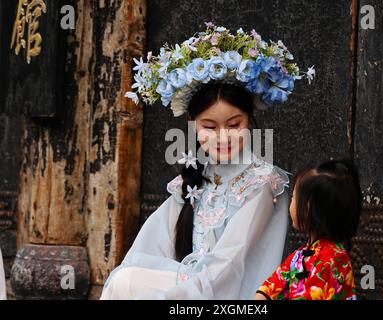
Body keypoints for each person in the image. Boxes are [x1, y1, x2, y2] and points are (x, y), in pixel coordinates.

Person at [101, 22, 314, 299]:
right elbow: (151, 248)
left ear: (249, 121)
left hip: (230, 297)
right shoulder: (192, 179)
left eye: (234, 124)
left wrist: (174, 294)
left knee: (126, 285)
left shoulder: (260, 182)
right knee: (124, 280)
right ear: (193, 125)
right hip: (192, 289)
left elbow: (230, 264)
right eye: (210, 127)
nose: (222, 137)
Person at [255, 159, 362, 300]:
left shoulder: (331, 259)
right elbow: (272, 285)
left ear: (308, 208)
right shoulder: (301, 254)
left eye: (294, 197)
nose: (291, 204)